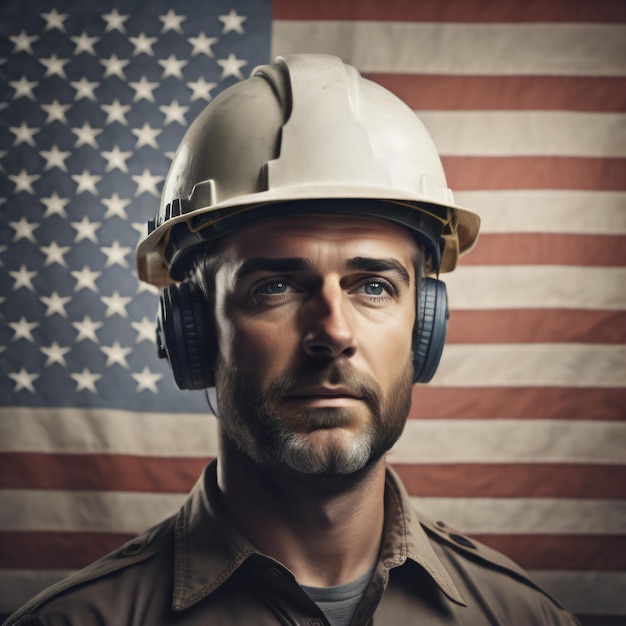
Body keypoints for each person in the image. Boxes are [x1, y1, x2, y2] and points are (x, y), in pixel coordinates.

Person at [4, 54, 579, 626]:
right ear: (196, 331)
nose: (332, 332)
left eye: (374, 286)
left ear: (423, 328)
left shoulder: (523, 617)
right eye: (275, 286)